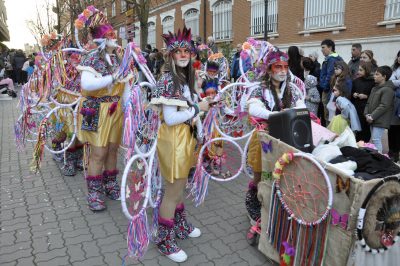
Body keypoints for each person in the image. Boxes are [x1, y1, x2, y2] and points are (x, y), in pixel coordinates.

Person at [150, 27, 210, 263]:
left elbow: (188, 110)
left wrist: (198, 102)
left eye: (187, 51)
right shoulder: (168, 81)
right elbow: (171, 118)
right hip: (173, 141)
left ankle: (180, 224)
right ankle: (165, 240)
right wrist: (197, 108)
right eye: (179, 52)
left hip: (185, 139)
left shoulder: (185, 79)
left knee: (181, 186)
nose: (184, 55)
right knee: (172, 191)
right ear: (171, 56)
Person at [75, 10, 130, 211]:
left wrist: (131, 104)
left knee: (113, 149)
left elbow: (125, 85)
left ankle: (110, 184)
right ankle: (94, 192)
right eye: (109, 36)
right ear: (100, 40)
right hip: (96, 110)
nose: (114, 39)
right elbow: (87, 84)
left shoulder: (117, 59)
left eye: (114, 36)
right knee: (98, 152)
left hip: (116, 110)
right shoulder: (90, 59)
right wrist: (112, 78)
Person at [245, 47, 305, 224]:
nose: (282, 71)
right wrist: (278, 115)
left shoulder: (291, 90)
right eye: (278, 67)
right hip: (265, 138)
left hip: (285, 138)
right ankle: (253, 204)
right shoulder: (260, 88)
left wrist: (291, 111)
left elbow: (302, 106)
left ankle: (274, 206)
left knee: (280, 174)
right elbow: (253, 108)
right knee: (260, 173)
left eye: (285, 67)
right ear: (270, 69)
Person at [364, 66, 395, 153]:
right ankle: (376, 158)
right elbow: (368, 103)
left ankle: (380, 159)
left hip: (380, 120)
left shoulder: (388, 90)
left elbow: (384, 106)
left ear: (384, 77)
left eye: (377, 74)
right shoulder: (374, 88)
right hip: (371, 118)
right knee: (374, 140)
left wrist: (372, 116)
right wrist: (366, 114)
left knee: (376, 139)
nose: (374, 76)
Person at [320, 39, 343, 123]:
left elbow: (329, 75)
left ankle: (329, 134)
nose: (321, 50)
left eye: (323, 47)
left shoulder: (332, 59)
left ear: (330, 47)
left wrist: (325, 87)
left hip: (329, 90)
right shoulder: (331, 58)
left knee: (328, 115)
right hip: (330, 89)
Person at [351, 61, 375, 141]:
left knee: (366, 129)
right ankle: (358, 144)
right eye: (358, 70)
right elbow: (351, 92)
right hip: (357, 107)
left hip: (367, 108)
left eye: (361, 70)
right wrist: (354, 94)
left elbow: (375, 96)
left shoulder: (373, 82)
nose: (358, 72)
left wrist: (366, 96)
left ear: (367, 70)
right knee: (358, 127)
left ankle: (365, 145)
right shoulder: (356, 81)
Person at [389, 50, 400, 162]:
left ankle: (396, 151)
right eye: (398, 56)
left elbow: (394, 82)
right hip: (394, 101)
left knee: (397, 128)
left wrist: (395, 82)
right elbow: (390, 82)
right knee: (392, 126)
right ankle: (392, 151)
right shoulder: (395, 69)